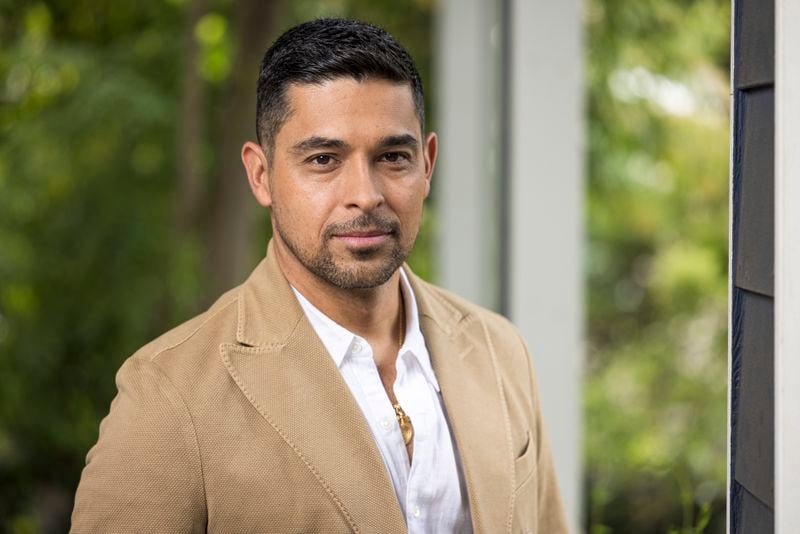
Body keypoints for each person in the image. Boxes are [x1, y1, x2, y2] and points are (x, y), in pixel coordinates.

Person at [71, 18, 566, 534]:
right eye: (324, 160)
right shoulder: (169, 393)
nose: (366, 194)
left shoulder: (499, 350)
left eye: (393, 157)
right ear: (261, 175)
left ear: (427, 164)